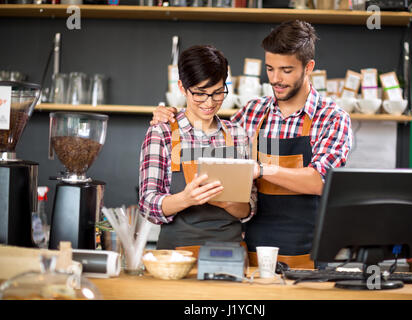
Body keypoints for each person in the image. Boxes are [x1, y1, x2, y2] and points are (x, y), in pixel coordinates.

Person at [151, 20, 352, 266]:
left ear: (308, 67)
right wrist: (172, 116)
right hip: (254, 253)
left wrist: (262, 169)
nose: (276, 79)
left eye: (286, 70)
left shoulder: (332, 117)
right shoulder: (253, 113)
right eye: (270, 69)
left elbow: (321, 181)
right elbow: (206, 129)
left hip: (309, 254)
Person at [139, 45, 257, 251]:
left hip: (231, 254)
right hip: (176, 256)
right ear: (182, 88)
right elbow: (148, 205)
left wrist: (228, 203)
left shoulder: (238, 135)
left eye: (218, 92)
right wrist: (185, 199)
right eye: (200, 94)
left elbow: (250, 207)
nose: (209, 102)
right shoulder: (162, 133)